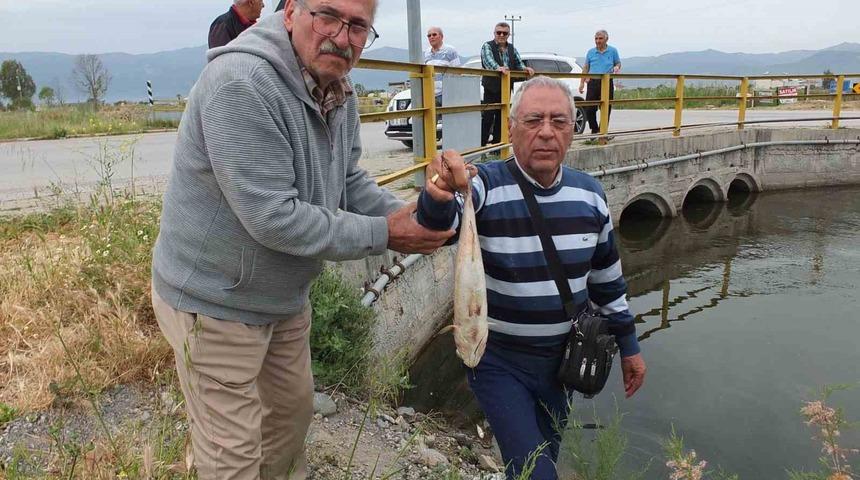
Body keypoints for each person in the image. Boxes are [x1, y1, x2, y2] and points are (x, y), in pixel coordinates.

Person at [151, 1, 454, 478]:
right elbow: (274, 218)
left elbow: (346, 179)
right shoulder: (242, 84)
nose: (342, 36)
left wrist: (407, 211)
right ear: (291, 10)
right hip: (214, 302)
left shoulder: (336, 86)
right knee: (232, 453)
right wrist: (386, 233)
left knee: (290, 420)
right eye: (328, 16)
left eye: (358, 26)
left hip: (283, 298)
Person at [418, 76, 646, 480]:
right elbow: (445, 221)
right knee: (536, 471)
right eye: (533, 120)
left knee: (541, 455)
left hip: (562, 364)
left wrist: (629, 346)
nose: (546, 132)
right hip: (497, 361)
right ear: (511, 128)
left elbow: (608, 283)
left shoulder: (591, 196)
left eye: (559, 121)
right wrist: (439, 192)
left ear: (572, 132)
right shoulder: (485, 185)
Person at [480, 22, 534, 146]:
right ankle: (482, 147)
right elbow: (488, 61)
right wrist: (498, 68)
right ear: (494, 33)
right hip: (491, 87)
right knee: (488, 117)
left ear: (509, 34)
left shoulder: (511, 48)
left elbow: (518, 62)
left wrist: (526, 69)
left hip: (505, 87)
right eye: (499, 32)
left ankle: (498, 147)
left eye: (504, 33)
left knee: (502, 118)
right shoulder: (487, 46)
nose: (501, 35)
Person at [578, 29, 621, 136]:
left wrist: (616, 67)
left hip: (606, 82)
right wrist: (582, 82)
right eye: (596, 39)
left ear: (606, 39)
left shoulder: (612, 51)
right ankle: (595, 129)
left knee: (606, 108)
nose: (598, 41)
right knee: (589, 108)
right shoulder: (591, 52)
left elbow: (618, 63)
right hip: (593, 82)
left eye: (600, 38)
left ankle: (603, 132)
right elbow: (586, 67)